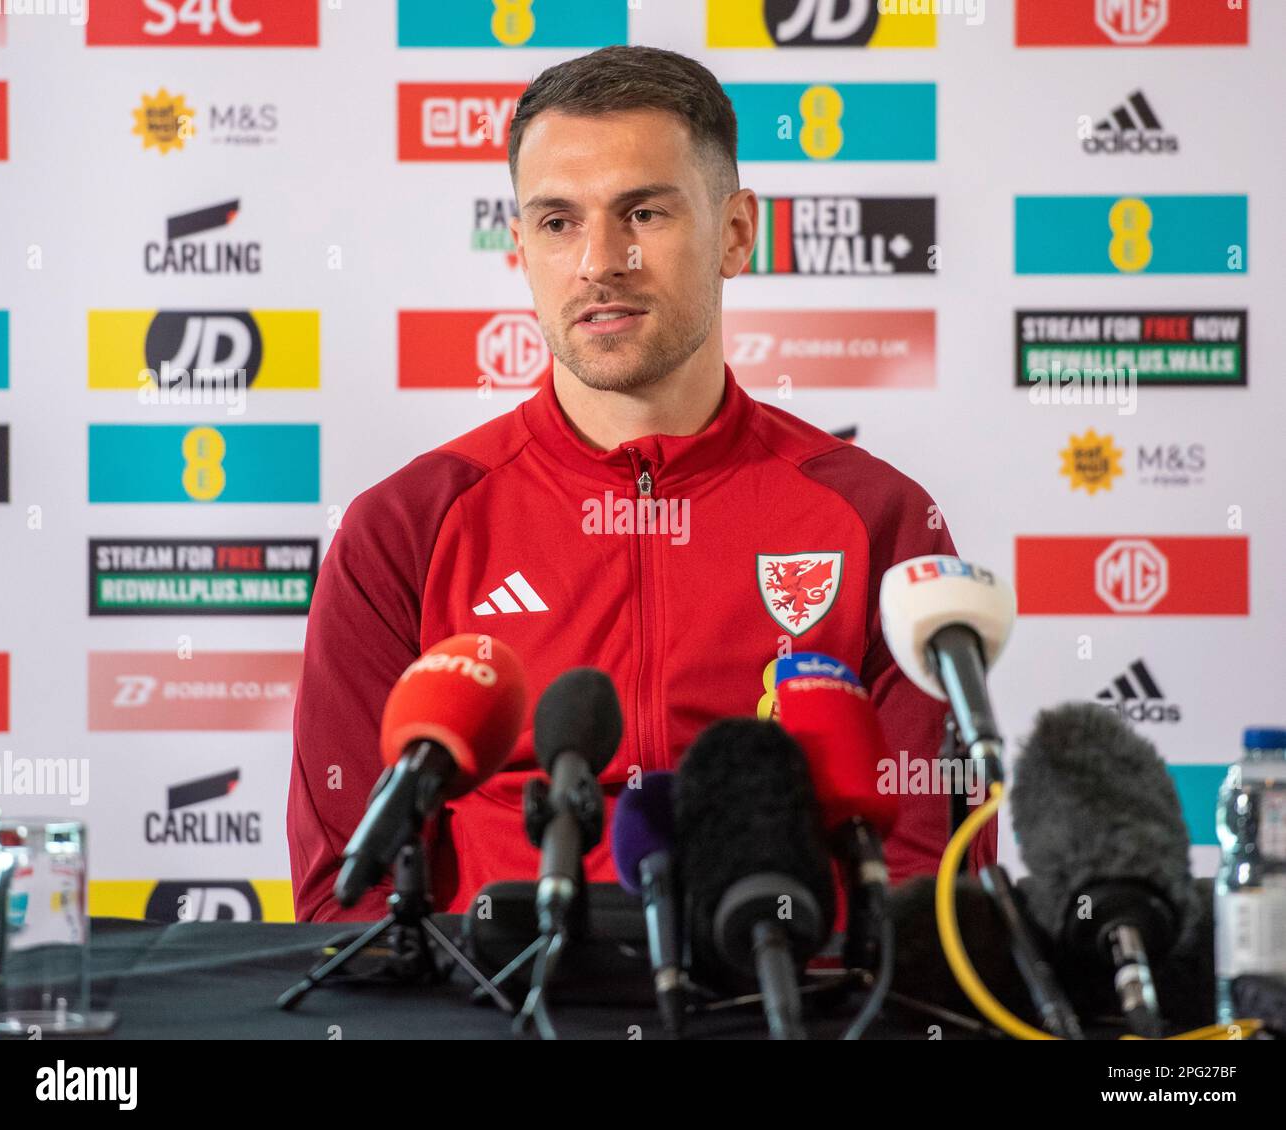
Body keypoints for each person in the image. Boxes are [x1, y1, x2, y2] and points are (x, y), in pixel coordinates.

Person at [288, 45, 996, 922]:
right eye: (557, 222)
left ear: (736, 233)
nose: (599, 261)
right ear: (520, 247)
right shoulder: (403, 528)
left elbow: (933, 892)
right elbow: (342, 898)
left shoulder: (880, 520)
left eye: (644, 213)